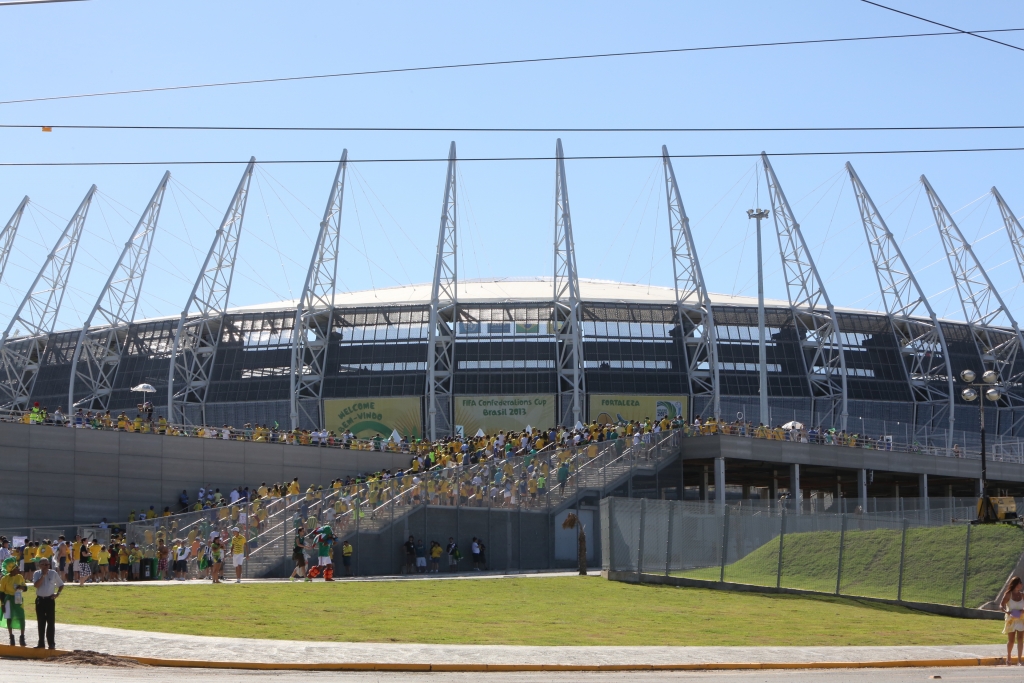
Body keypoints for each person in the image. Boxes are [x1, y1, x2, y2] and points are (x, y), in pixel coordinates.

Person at [32, 557, 63, 650]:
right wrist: (43, 576)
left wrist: (57, 594)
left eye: (47, 564)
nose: (46, 566)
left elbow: (61, 584)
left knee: (50, 622)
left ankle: (51, 643)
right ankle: (41, 642)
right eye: (44, 564)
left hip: (49, 600)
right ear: (39, 565)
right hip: (40, 600)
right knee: (41, 622)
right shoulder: (37, 574)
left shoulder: (53, 573)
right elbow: (36, 585)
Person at [0, 558, 26, 646]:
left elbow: (25, 588)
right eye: (16, 568)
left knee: (21, 617)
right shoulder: (4, 578)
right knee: (9, 618)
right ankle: (11, 636)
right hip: (8, 600)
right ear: (11, 570)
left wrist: (21, 587)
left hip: (18, 600)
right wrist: (2, 604)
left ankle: (22, 637)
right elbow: (2, 593)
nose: (18, 569)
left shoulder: (20, 577)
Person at [1002, 576, 1024, 666]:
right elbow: (1001, 605)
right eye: (1020, 583)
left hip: (1021, 618)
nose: (1021, 584)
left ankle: (1019, 660)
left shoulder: (1022, 595)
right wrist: (1007, 611)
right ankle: (1009, 657)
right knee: (1011, 640)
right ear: (1016, 584)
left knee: (1020, 638)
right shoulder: (1008, 594)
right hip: (1011, 619)